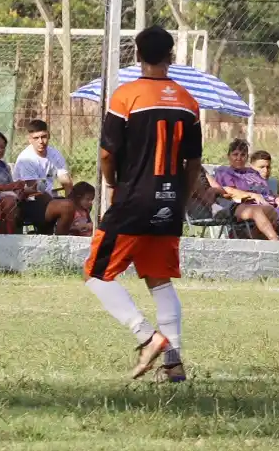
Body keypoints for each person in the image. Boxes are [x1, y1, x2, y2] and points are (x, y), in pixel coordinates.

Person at [82, 26, 203, 382]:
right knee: (160, 281)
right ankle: (175, 364)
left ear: (137, 55)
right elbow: (193, 163)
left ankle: (148, 337)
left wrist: (111, 183)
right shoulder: (187, 101)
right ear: (170, 57)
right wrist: (180, 197)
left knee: (96, 275)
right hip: (168, 202)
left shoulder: (125, 97)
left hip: (133, 199)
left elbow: (107, 152)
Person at [0, 136, 75, 235]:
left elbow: (13, 189)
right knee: (9, 201)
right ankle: (11, 241)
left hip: (19, 202)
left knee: (64, 204)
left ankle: (54, 240)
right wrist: (8, 188)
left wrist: (26, 189)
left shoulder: (1, 169)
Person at [211, 139, 279, 241]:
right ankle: (274, 240)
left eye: (243, 155)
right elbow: (228, 191)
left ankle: (258, 237)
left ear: (247, 157)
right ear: (228, 156)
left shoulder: (251, 173)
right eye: (235, 154)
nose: (239, 158)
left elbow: (265, 190)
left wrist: (276, 197)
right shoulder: (224, 172)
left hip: (264, 204)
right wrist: (252, 195)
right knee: (262, 211)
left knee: (272, 211)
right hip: (238, 206)